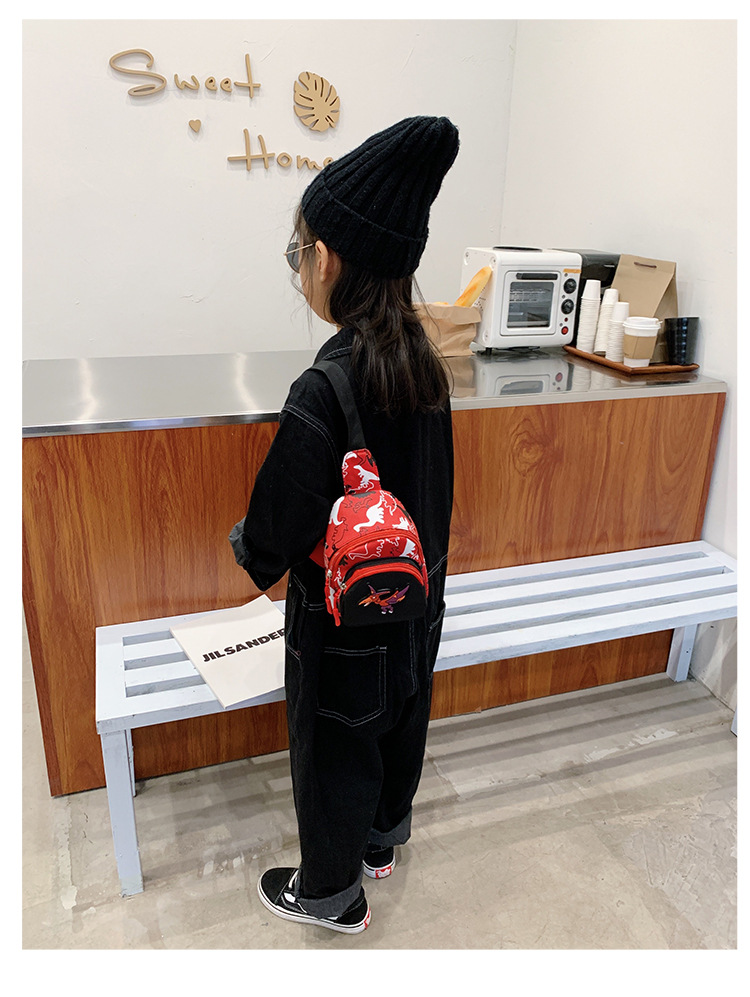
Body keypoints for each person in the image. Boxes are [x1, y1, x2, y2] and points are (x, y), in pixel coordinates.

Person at [229, 115, 459, 934]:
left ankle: (330, 892)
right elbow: (439, 494)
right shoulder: (427, 366)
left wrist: (249, 548)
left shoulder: (324, 388)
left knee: (334, 747)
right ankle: (381, 842)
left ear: (326, 259)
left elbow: (275, 528)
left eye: (300, 251)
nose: (300, 266)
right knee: (401, 720)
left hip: (340, 623)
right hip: (417, 602)